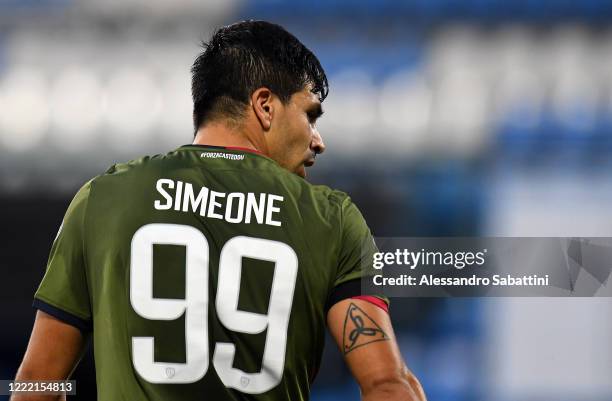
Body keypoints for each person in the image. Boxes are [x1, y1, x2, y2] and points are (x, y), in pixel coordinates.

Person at [13, 20, 426, 401]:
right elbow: (386, 382)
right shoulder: (332, 219)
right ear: (265, 105)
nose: (318, 141)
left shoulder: (102, 199)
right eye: (310, 114)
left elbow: (38, 382)